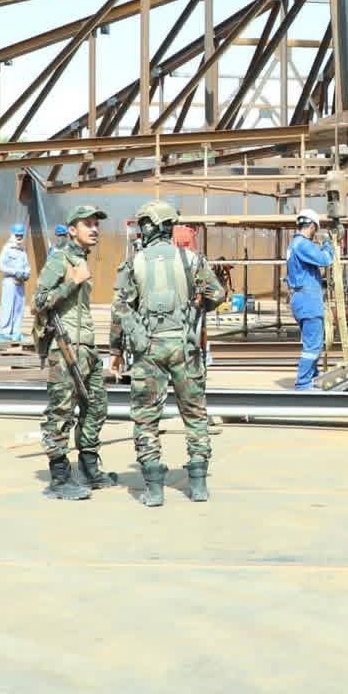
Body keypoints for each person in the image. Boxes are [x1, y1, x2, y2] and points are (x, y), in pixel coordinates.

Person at [114, 199, 226, 507]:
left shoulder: (133, 263)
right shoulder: (191, 259)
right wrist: (199, 305)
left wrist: (116, 350)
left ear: (149, 226)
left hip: (148, 349)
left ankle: (154, 488)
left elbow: (120, 309)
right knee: (195, 414)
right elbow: (218, 293)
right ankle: (198, 484)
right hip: (185, 347)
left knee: (146, 417)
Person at [30, 204, 117, 501]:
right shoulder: (60, 259)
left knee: (97, 406)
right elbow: (38, 302)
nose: (94, 229)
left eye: (96, 224)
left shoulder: (81, 259)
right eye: (87, 224)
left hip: (86, 347)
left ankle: (89, 468)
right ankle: (59, 477)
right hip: (65, 347)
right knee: (60, 412)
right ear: (72, 229)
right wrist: (73, 282)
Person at [284, 209, 334, 390]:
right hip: (308, 299)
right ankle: (303, 384)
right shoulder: (303, 245)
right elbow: (325, 259)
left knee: (313, 343)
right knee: (312, 345)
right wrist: (328, 243)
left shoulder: (294, 244)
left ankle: (312, 378)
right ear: (312, 226)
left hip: (302, 297)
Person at [0, 223, 32, 341]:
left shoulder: (22, 250)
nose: (19, 237)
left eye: (21, 235)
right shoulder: (7, 248)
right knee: (8, 307)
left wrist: (27, 273)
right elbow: (2, 266)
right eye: (17, 235)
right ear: (12, 235)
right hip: (10, 282)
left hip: (20, 283)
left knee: (19, 308)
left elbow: (27, 266)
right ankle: (5, 332)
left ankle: (16, 331)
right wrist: (14, 272)